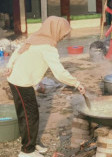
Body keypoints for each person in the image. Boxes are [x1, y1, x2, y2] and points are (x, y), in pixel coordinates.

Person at [6, 16, 85, 157]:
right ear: (56, 30)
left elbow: (18, 51)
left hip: (18, 79)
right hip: (20, 82)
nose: (63, 37)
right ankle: (27, 151)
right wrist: (76, 83)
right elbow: (59, 72)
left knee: (31, 113)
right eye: (63, 33)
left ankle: (33, 143)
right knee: (29, 116)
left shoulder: (36, 37)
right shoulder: (47, 47)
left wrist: (9, 65)